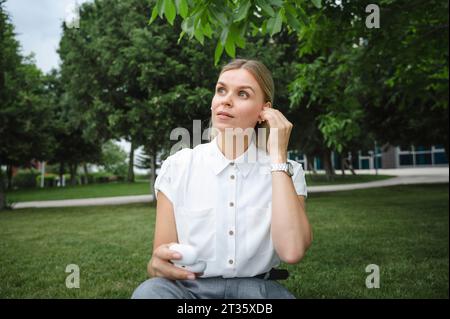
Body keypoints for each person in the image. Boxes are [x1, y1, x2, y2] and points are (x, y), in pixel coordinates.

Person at [132, 59, 313, 299]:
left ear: (264, 111)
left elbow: (292, 251)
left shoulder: (288, 171)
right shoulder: (177, 167)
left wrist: (278, 157)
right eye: (221, 90)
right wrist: (156, 264)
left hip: (258, 292)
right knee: (149, 293)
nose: (226, 100)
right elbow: (163, 258)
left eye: (242, 94)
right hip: (188, 290)